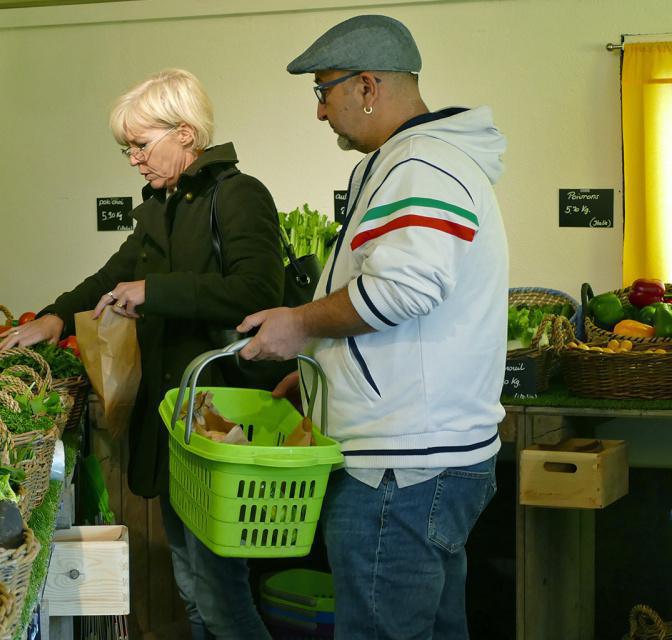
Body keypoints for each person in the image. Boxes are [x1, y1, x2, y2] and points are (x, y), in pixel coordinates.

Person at [236, 15, 508, 639]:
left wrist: (299, 323)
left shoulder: (424, 164)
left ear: (366, 86)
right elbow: (393, 297)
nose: (320, 111)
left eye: (322, 90)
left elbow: (401, 291)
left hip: (400, 470)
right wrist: (320, 375)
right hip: (415, 460)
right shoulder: (407, 162)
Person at [0, 68, 284, 639]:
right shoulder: (162, 205)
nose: (132, 158)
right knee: (192, 588)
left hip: (220, 419)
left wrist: (155, 293)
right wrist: (55, 317)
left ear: (184, 133)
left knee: (222, 593)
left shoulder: (239, 195)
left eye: (139, 144)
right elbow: (114, 272)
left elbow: (258, 292)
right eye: (126, 147)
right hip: (177, 418)